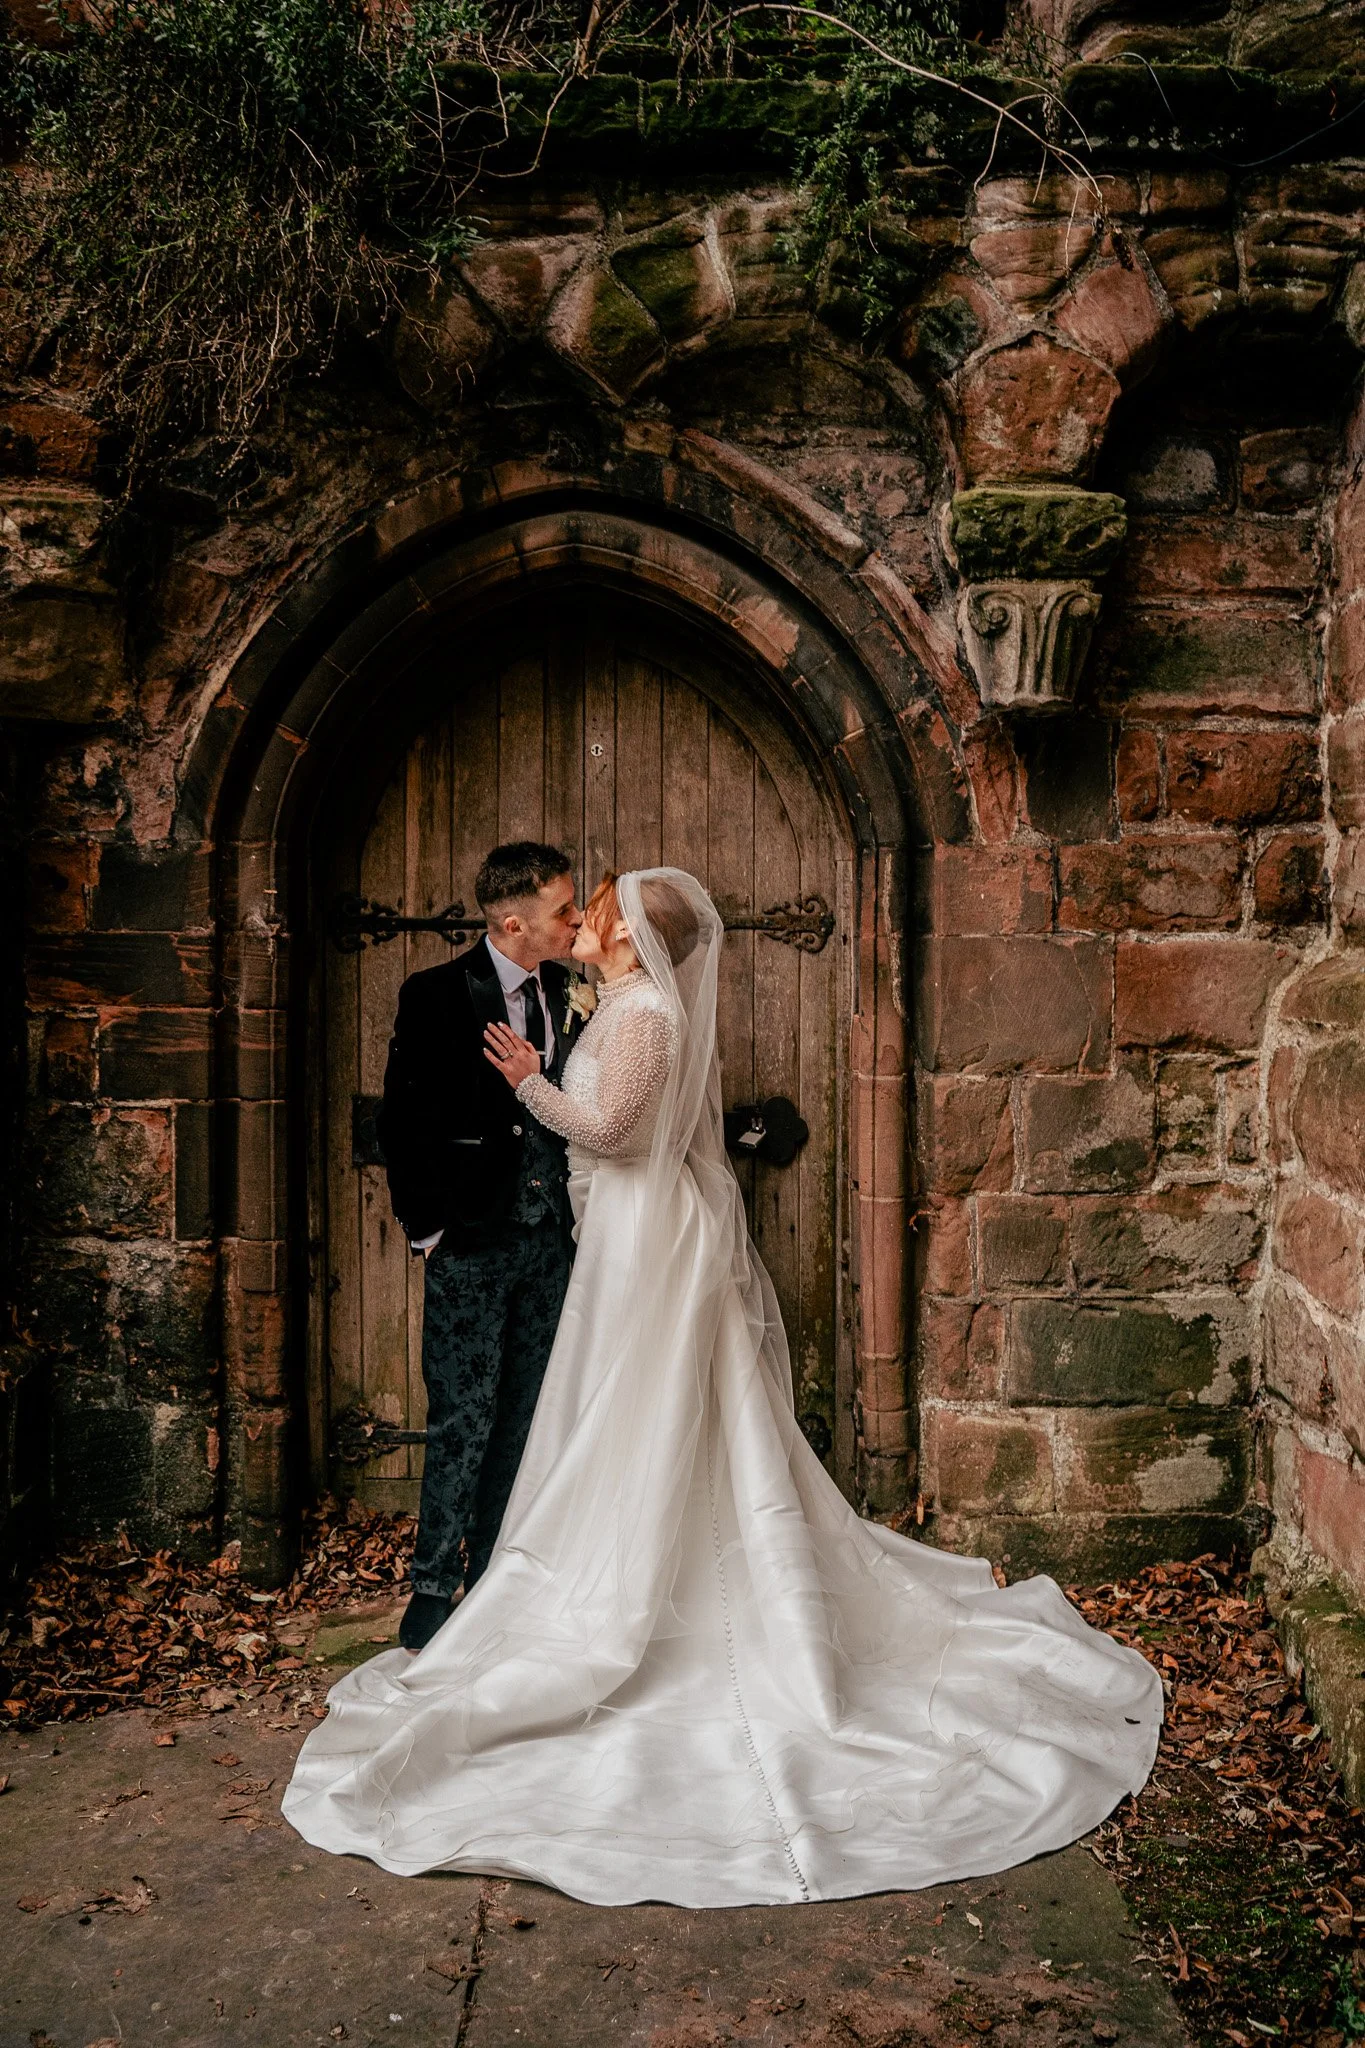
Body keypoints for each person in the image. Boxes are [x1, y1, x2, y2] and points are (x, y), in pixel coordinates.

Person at [286, 868, 1162, 1907]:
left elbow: (611, 1128)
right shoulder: (615, 1002)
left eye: (594, 905)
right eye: (575, 903)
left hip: (648, 1233)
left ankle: (656, 1593)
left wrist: (528, 1074)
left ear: (620, 930)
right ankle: (540, 1578)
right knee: (605, 1404)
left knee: (649, 1404)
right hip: (616, 1233)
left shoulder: (647, 1011)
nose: (583, 914)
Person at [374, 841, 586, 1652]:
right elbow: (403, 1123)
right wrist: (429, 1229)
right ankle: (432, 1585)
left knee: (525, 1416)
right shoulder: (433, 995)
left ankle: (496, 1572)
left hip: (550, 1247)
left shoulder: (573, 990)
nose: (574, 923)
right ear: (512, 921)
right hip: (468, 1242)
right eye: (562, 911)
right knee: (461, 1415)